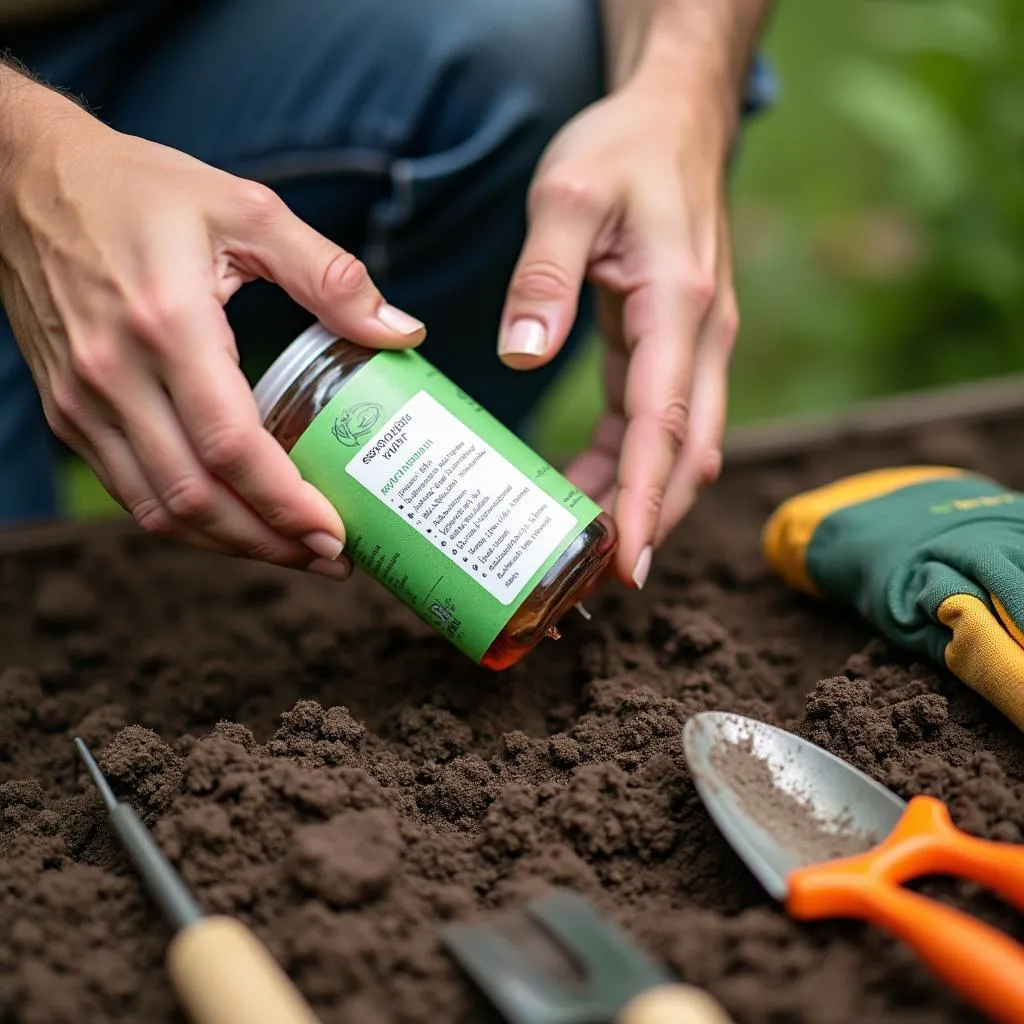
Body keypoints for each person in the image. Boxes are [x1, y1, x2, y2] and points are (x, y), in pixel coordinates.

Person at [0, 0, 774, 589]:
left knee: (523, 47)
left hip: (217, 43)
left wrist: (682, 87)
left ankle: (419, 559)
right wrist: (28, 163)